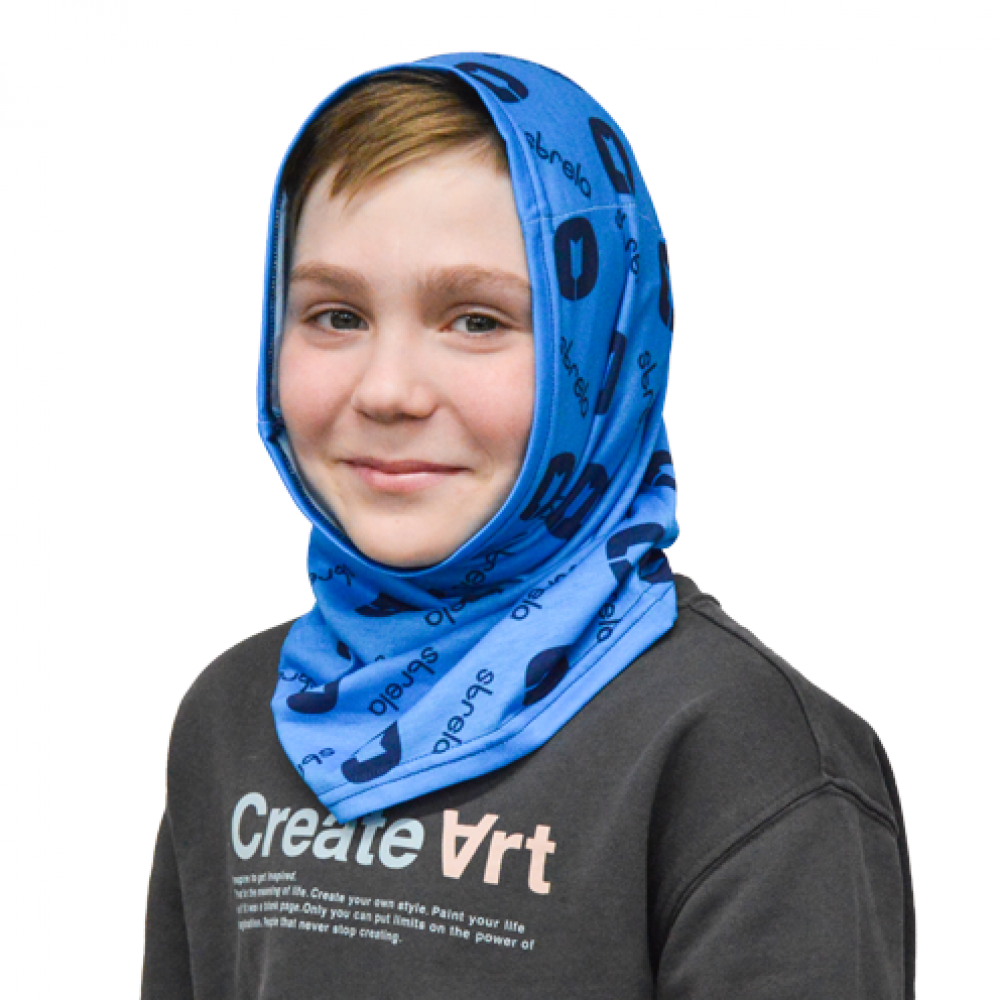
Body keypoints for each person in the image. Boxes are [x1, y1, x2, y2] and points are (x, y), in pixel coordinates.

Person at [141, 52, 916, 999]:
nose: (388, 390)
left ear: (605, 344)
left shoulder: (742, 757)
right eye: (336, 315)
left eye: (476, 321)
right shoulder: (234, 720)